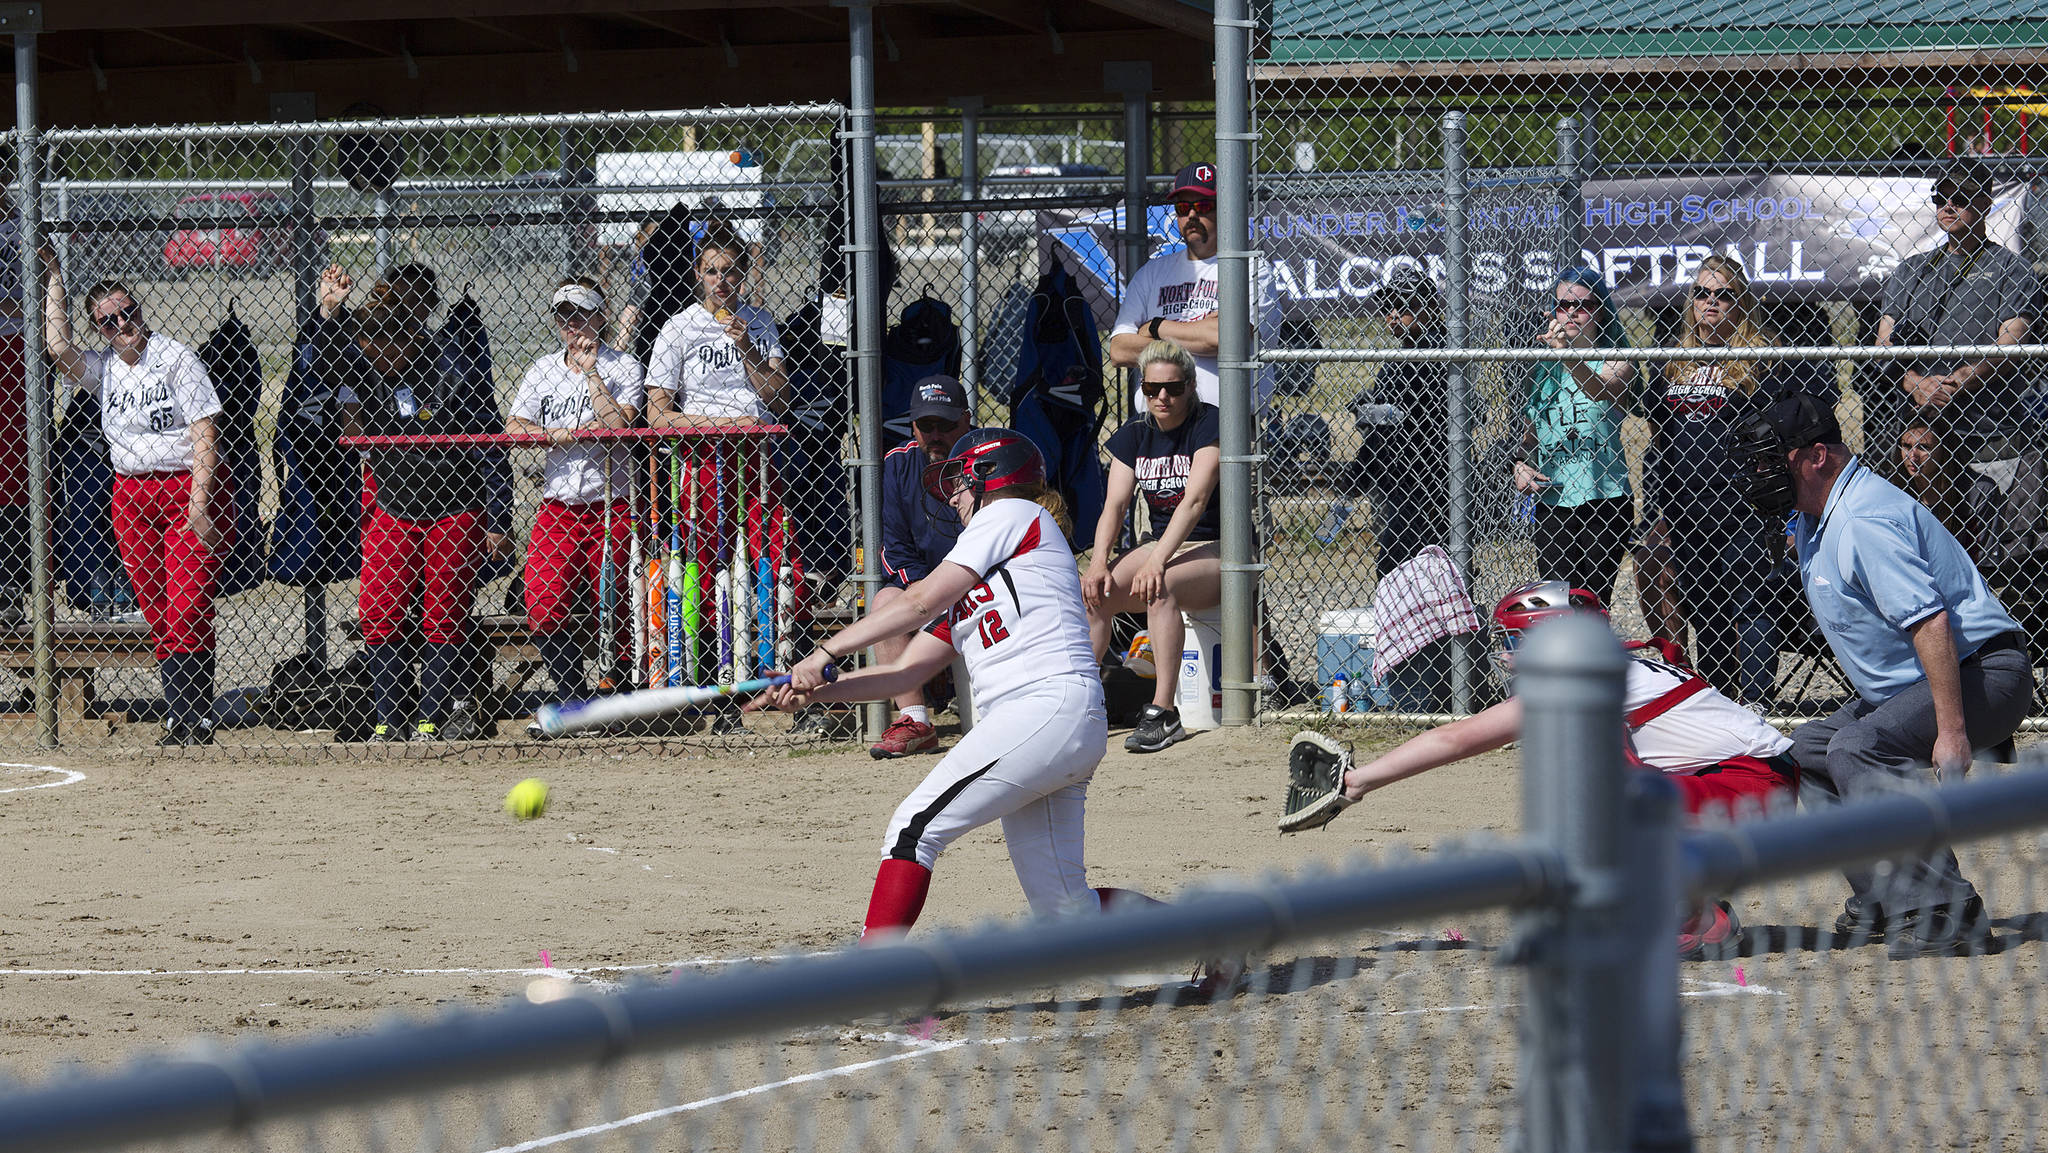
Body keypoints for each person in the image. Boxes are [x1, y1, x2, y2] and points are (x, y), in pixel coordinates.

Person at [756, 430, 1235, 990]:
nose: (954, 495)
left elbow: (915, 601)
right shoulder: (986, 562)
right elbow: (906, 673)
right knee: (1066, 912)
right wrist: (814, 689)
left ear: (992, 480)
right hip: (1053, 722)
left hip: (1041, 708)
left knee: (913, 829)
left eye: (962, 481)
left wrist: (826, 650)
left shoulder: (1010, 514)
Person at [1277, 580, 1798, 959]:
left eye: (1517, 643)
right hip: (1744, 789)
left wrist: (1360, 781)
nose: (1508, 659)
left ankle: (1697, 918)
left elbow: (1456, 739)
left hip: (1752, 791)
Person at [1731, 393, 2031, 958]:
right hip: (1925, 680)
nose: (1762, 474)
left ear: (1818, 456)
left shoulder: (1863, 518)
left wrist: (1952, 731)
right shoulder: (1821, 513)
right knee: (1809, 749)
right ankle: (1887, 898)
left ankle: (1947, 908)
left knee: (1858, 746)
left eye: (1775, 460)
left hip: (1984, 672)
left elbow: (1932, 622)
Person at [313, 264, 512, 742]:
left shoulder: (450, 366)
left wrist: (499, 518)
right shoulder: (371, 368)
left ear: (406, 338)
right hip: (392, 506)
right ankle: (388, 718)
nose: (370, 352)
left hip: (453, 508)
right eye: (366, 343)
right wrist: (329, 310)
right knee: (381, 612)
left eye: (381, 342)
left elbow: (491, 444)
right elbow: (325, 363)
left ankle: (429, 716)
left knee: (443, 614)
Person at [42, 253, 229, 746]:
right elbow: (57, 345)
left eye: (128, 313)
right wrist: (57, 277)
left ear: (141, 311)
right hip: (130, 495)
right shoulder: (104, 369)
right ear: (99, 329)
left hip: (185, 484)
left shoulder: (175, 357)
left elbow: (206, 431)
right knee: (158, 609)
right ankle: (181, 716)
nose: (122, 325)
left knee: (189, 606)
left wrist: (200, 503)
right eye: (107, 321)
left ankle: (197, 715)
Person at [1644, 255, 1834, 706]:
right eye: (1703, 293)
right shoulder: (1672, 362)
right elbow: (1655, 430)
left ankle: (1756, 702)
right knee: (1704, 606)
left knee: (1752, 600)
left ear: (1742, 301)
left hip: (1747, 504)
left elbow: (1806, 420)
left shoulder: (1764, 360)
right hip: (1687, 506)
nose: (1712, 302)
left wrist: (1790, 515)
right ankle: (1716, 702)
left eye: (1724, 294)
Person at [506, 279, 645, 708]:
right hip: (558, 504)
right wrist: (555, 435)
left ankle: (618, 691)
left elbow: (617, 426)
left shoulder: (623, 366)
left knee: (618, 600)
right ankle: (572, 694)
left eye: (581, 314)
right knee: (544, 600)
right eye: (564, 316)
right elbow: (515, 428)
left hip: (613, 502)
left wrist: (590, 374)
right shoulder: (543, 368)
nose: (572, 324)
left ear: (602, 317)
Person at [1083, 341, 1221, 753]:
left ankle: (1163, 712)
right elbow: (1115, 504)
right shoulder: (1135, 435)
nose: (1163, 397)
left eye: (1174, 388)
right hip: (1162, 544)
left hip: (1216, 545)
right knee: (1095, 593)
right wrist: (1098, 563)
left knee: (1159, 587)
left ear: (1191, 386)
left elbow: (1195, 502)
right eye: (1152, 388)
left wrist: (1157, 561)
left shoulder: (1210, 424)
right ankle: (1079, 702)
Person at [1877, 156, 2043, 449]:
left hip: (1990, 433)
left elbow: (2011, 345)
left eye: (1961, 197)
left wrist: (1955, 382)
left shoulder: (2012, 268)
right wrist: (1916, 384)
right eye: (1941, 198)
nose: (1948, 205)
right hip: (1921, 438)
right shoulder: (1911, 269)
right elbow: (1883, 346)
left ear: (1986, 204)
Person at [1108, 162, 1280, 414]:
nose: (1191, 215)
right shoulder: (1151, 273)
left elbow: (1227, 337)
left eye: (1202, 206)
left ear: (1226, 208)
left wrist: (1156, 327)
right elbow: (1119, 349)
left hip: (1228, 429)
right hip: (1158, 430)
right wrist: (1200, 335)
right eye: (1182, 207)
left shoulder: (1251, 268)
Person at [1514, 267, 1639, 601]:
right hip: (1554, 500)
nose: (1570, 313)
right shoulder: (1541, 369)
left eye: (1582, 305)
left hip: (1604, 499)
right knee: (1557, 604)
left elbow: (1598, 388)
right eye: (1563, 305)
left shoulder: (1616, 358)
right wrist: (1520, 464)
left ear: (1600, 311)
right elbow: (1530, 435)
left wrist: (1565, 353)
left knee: (1591, 604)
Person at [869, 375, 976, 758]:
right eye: (925, 426)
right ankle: (916, 722)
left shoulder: (988, 457)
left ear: (966, 420)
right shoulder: (899, 463)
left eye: (945, 425)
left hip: (982, 584)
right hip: (925, 587)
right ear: (912, 426)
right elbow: (894, 551)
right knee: (884, 601)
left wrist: (953, 590)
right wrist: (929, 596)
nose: (934, 435)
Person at [1320, 267, 1451, 574]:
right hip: (1398, 476)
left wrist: (1370, 411)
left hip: (1428, 479)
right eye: (1387, 307)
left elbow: (1407, 413)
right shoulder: (1402, 355)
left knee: (1397, 566)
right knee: (1402, 566)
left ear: (1430, 306)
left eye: (1403, 306)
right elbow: (1381, 432)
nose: (1393, 315)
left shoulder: (1436, 350)